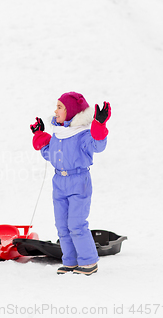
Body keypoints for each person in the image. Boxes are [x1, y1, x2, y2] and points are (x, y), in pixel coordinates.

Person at [30, 92, 111, 276]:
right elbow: (49, 154)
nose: (55, 110)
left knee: (76, 223)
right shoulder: (58, 134)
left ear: (71, 111)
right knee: (62, 225)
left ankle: (88, 261)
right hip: (59, 181)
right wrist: (40, 135)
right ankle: (71, 261)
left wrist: (99, 125)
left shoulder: (82, 134)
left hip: (78, 181)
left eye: (59, 107)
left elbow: (98, 146)